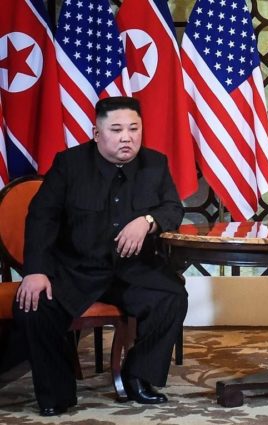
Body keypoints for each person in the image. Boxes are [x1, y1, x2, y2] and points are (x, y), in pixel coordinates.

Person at [12, 96, 188, 416]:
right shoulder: (69, 164)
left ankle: (138, 376)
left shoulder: (155, 163)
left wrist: (147, 221)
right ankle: (57, 394)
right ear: (96, 133)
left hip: (132, 271)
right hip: (78, 269)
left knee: (172, 295)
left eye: (134, 128)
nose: (127, 137)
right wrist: (35, 271)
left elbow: (173, 208)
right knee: (35, 307)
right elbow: (42, 217)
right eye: (117, 129)